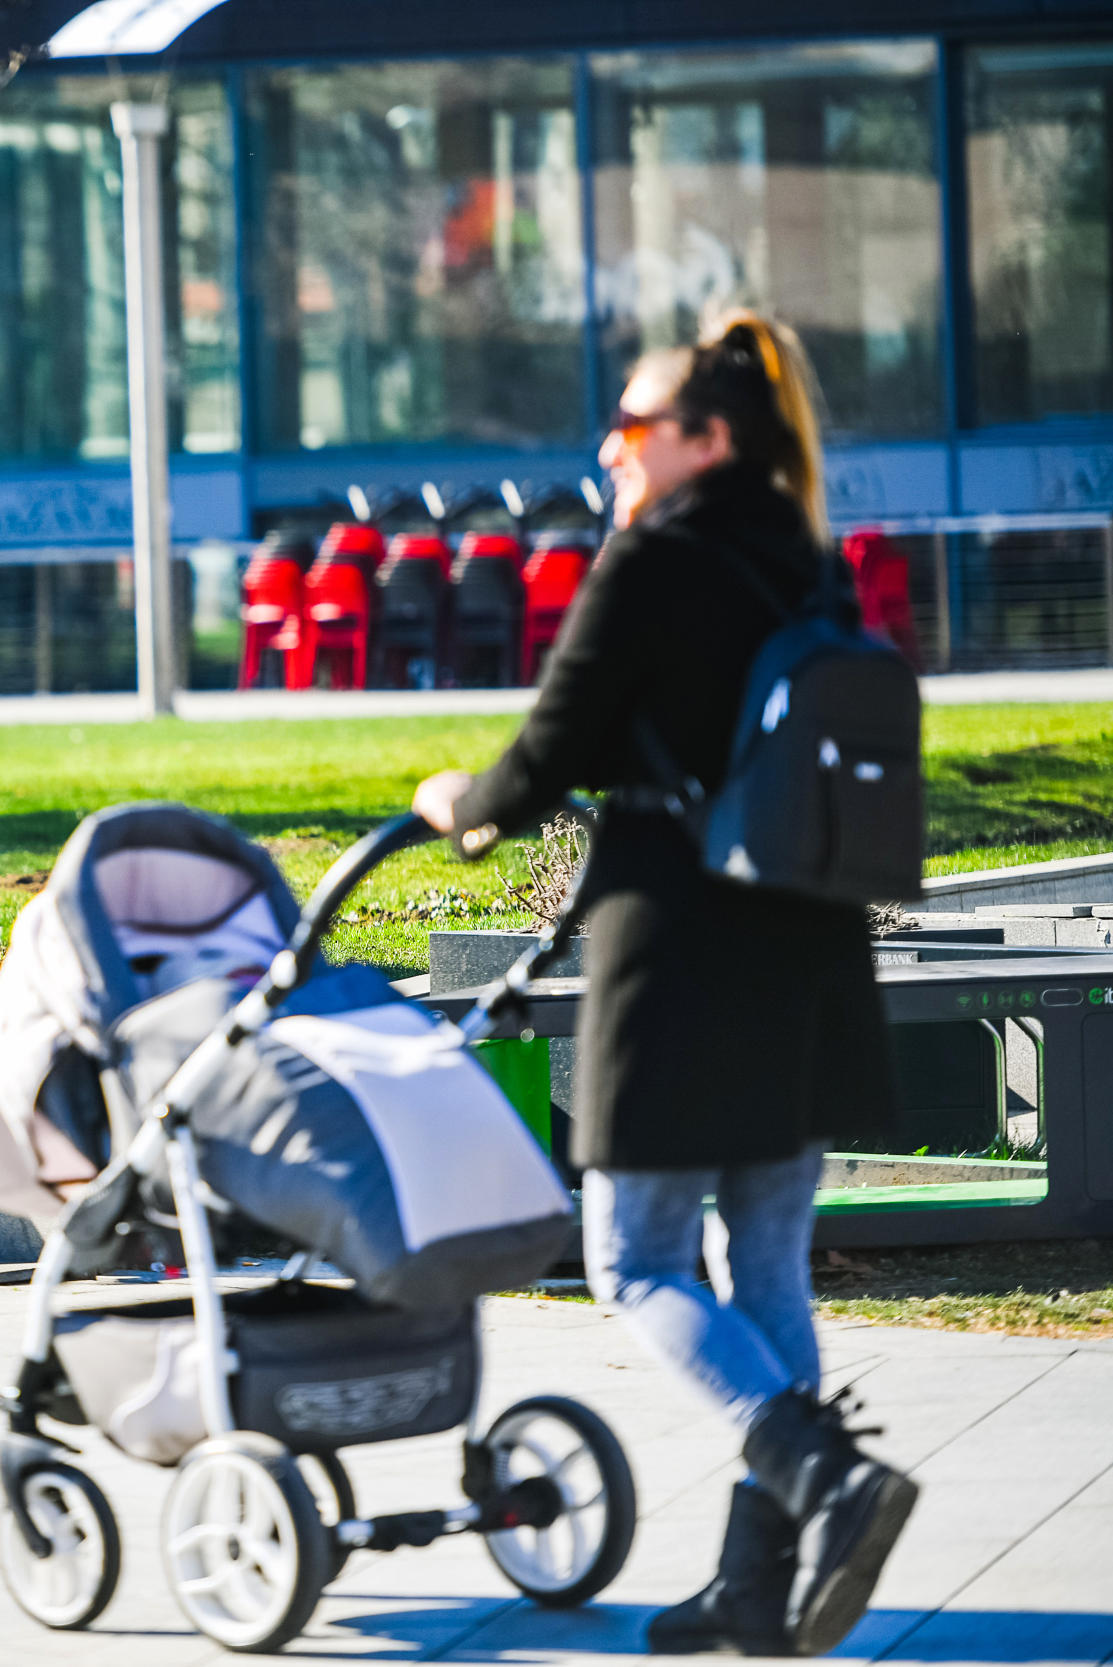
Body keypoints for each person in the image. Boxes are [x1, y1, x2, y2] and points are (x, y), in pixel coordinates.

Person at [410, 311, 916, 1657]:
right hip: (804, 942)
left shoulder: (652, 559)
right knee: (764, 1263)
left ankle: (824, 1470)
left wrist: (457, 800)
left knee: (631, 1255)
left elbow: (547, 753)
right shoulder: (803, 556)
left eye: (634, 427)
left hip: (683, 943)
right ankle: (759, 1585)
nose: (610, 448)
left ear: (707, 439)